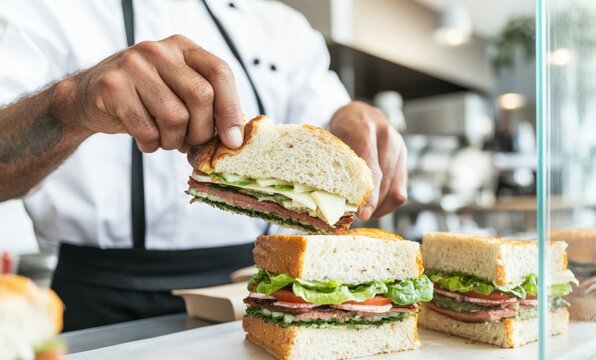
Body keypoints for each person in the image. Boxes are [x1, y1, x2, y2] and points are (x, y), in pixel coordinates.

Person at [0, 0, 408, 331]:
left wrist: (354, 115)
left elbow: (332, 118)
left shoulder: (281, 26)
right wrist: (72, 103)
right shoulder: (37, 9)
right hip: (95, 299)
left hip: (260, 288)